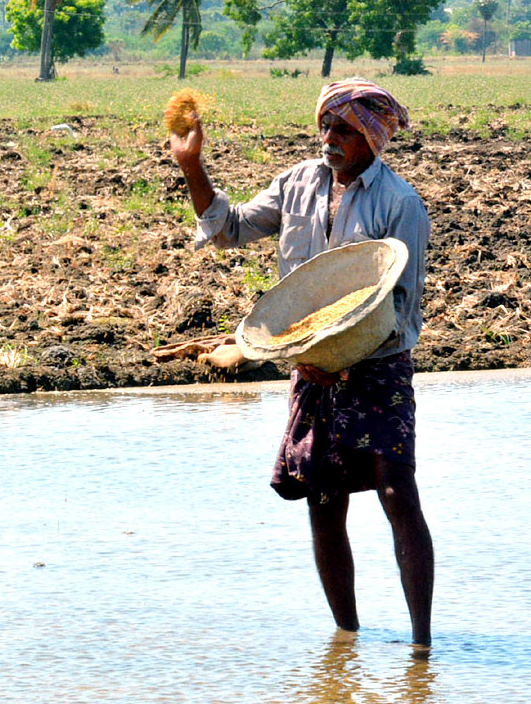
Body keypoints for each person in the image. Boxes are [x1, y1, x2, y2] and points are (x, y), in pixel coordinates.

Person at [169, 78, 434, 647]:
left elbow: (404, 310)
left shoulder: (399, 204)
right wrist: (192, 167)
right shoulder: (295, 185)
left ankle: (421, 646)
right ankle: (348, 636)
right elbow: (229, 230)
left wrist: (341, 357)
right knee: (322, 497)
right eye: (326, 126)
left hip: (377, 361)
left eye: (343, 129)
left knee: (396, 491)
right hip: (310, 362)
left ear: (371, 137)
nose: (329, 138)